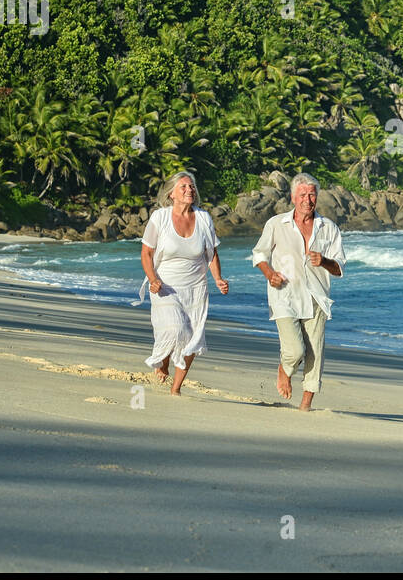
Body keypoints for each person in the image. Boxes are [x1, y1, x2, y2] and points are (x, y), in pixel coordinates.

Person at [251, 173, 345, 410]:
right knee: (295, 351)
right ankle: (285, 368)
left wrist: (323, 260)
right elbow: (259, 254)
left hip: (316, 297)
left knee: (315, 354)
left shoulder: (329, 228)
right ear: (293, 197)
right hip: (284, 294)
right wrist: (269, 274)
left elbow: (339, 268)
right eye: (302, 194)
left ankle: (305, 405)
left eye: (312, 194)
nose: (307, 199)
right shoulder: (276, 224)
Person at [139, 171, 228, 395]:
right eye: (184, 187)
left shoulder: (204, 218)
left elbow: (211, 253)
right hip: (165, 286)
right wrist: (153, 279)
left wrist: (218, 278)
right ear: (171, 194)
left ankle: (176, 388)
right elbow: (146, 254)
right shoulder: (159, 218)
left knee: (193, 337)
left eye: (192, 187)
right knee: (176, 329)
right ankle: (164, 361)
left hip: (196, 288)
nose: (190, 190)